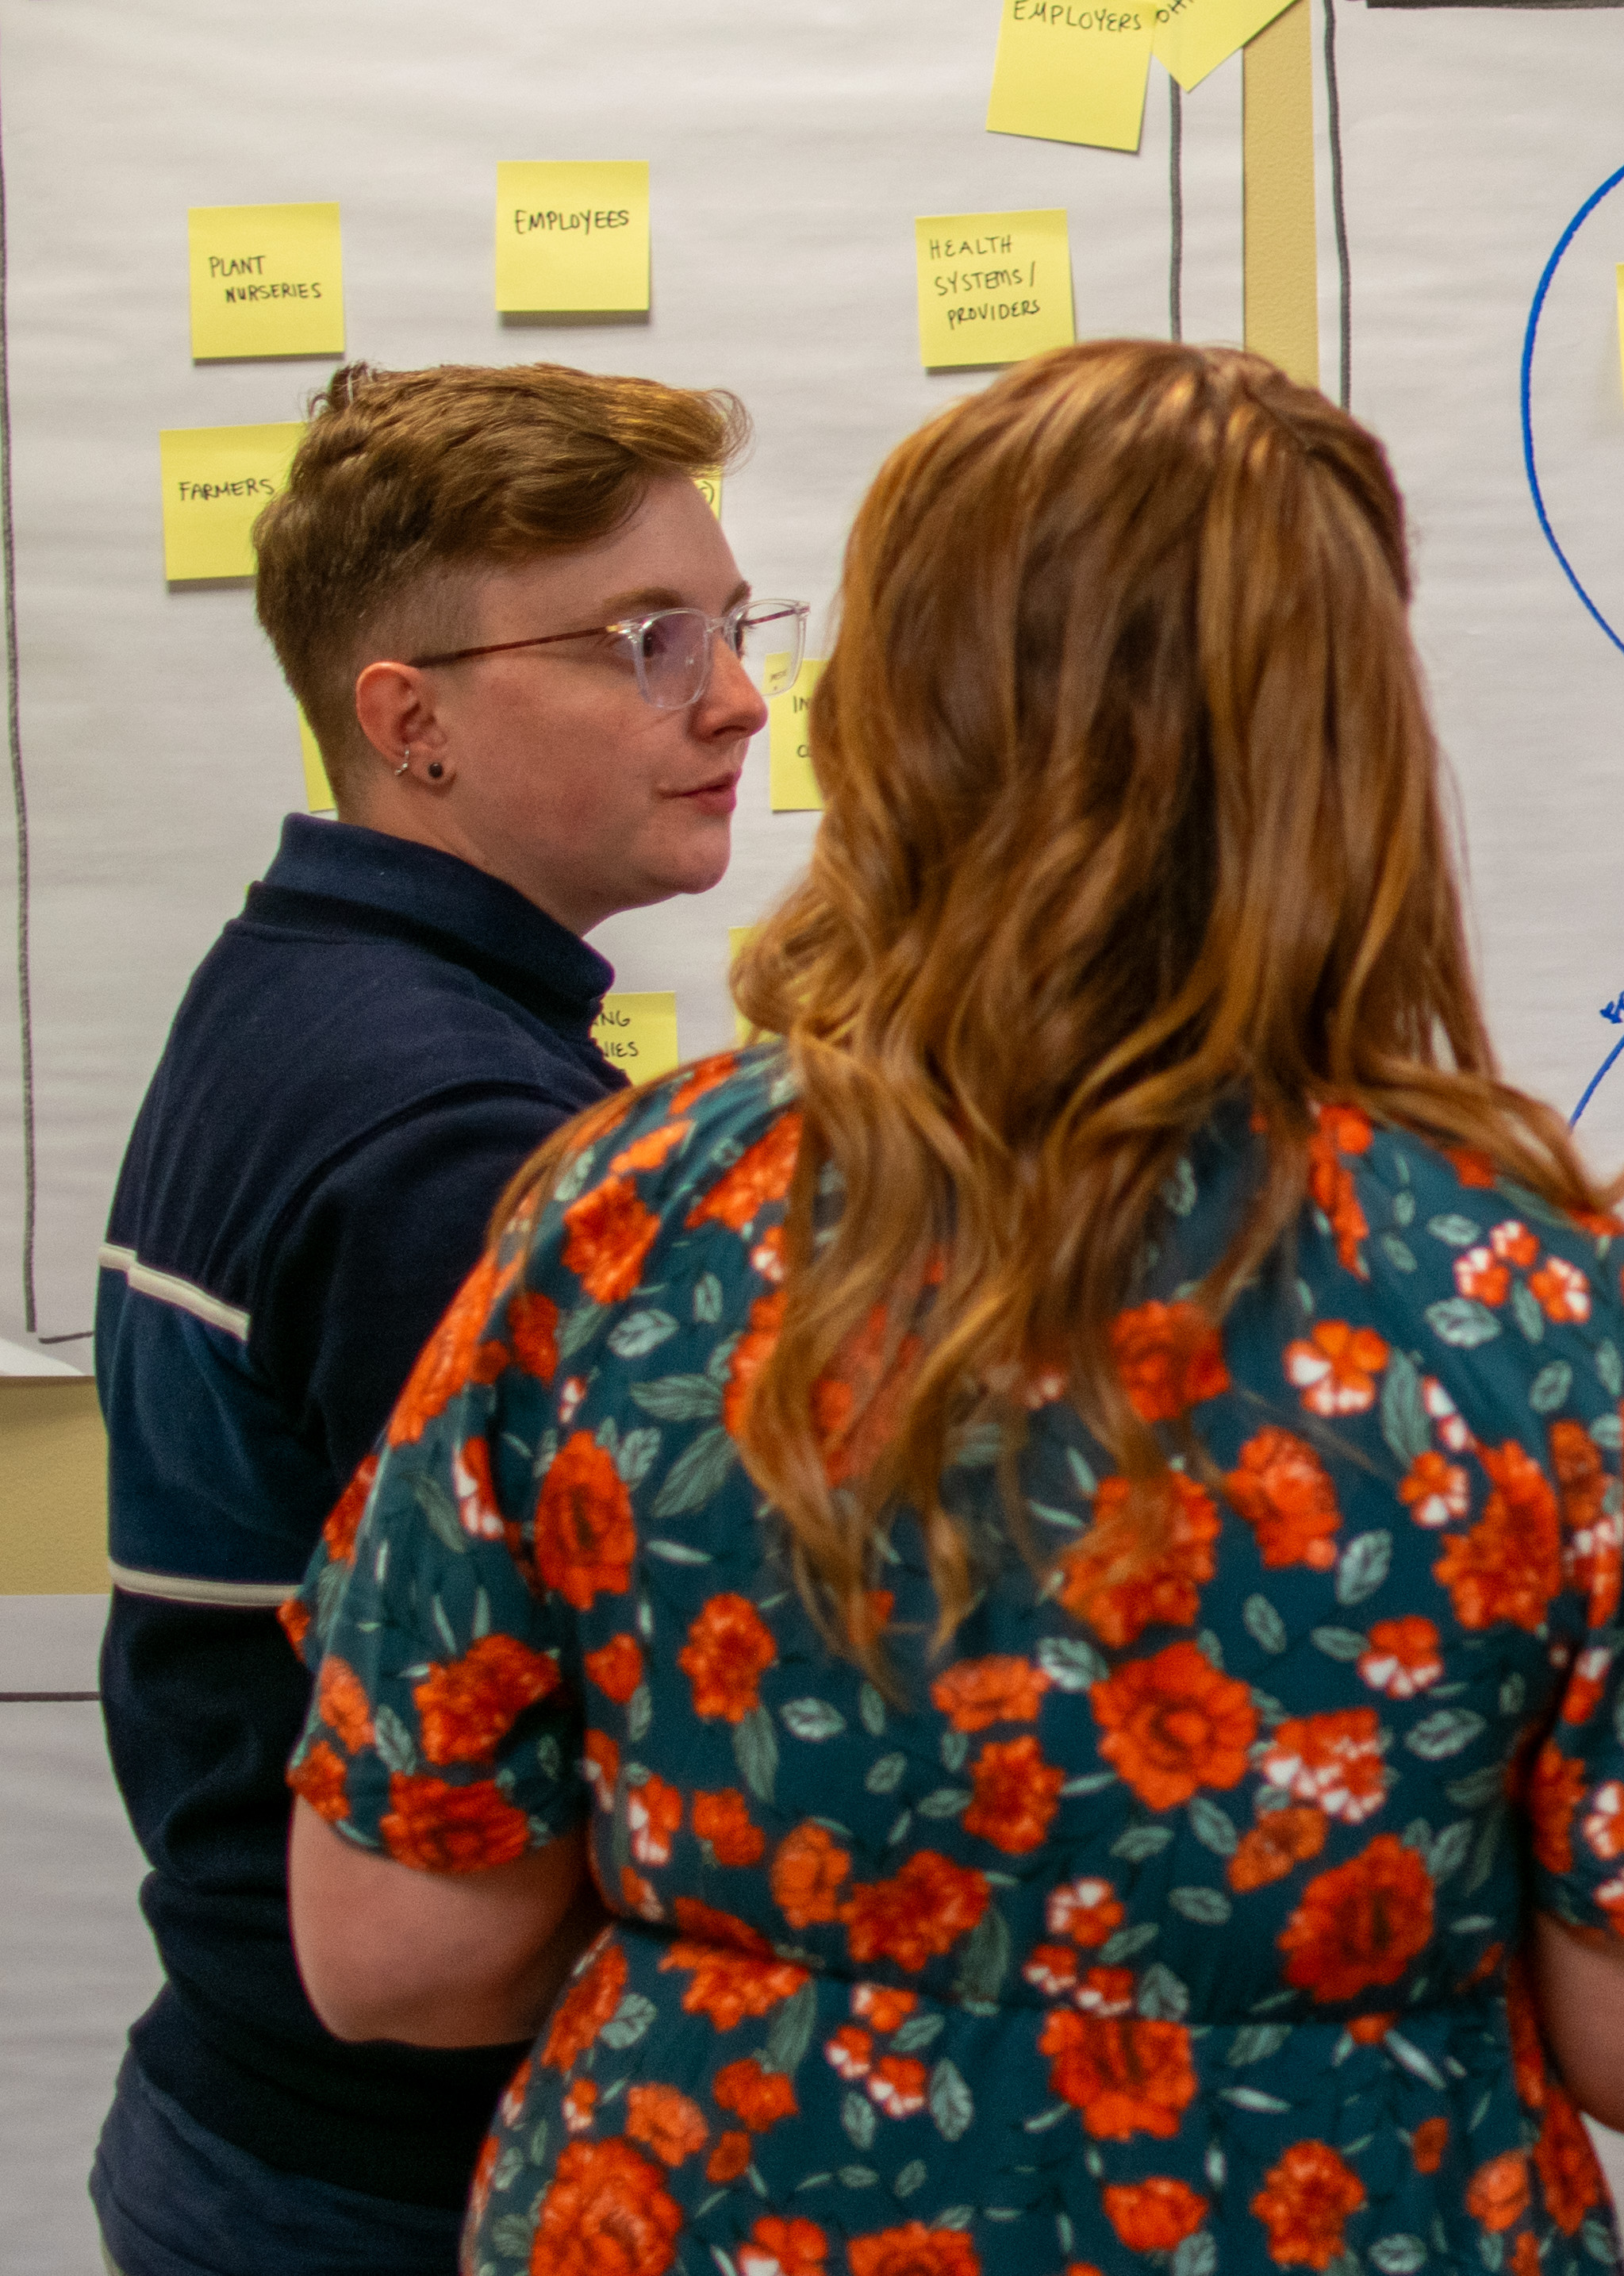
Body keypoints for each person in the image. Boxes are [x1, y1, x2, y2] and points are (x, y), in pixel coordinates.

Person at [279, 340, 1624, 2274]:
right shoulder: (1543, 1305)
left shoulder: (624, 1225)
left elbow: (392, 1948)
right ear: (1356, 748)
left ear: (890, 705)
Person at [89, 361, 781, 2275]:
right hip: (387, 2182)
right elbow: (602, 1736)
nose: (732, 696)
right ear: (412, 723)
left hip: (261, 2127)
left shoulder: (315, 989)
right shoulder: (451, 1138)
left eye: (731, 626)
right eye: (649, 642)